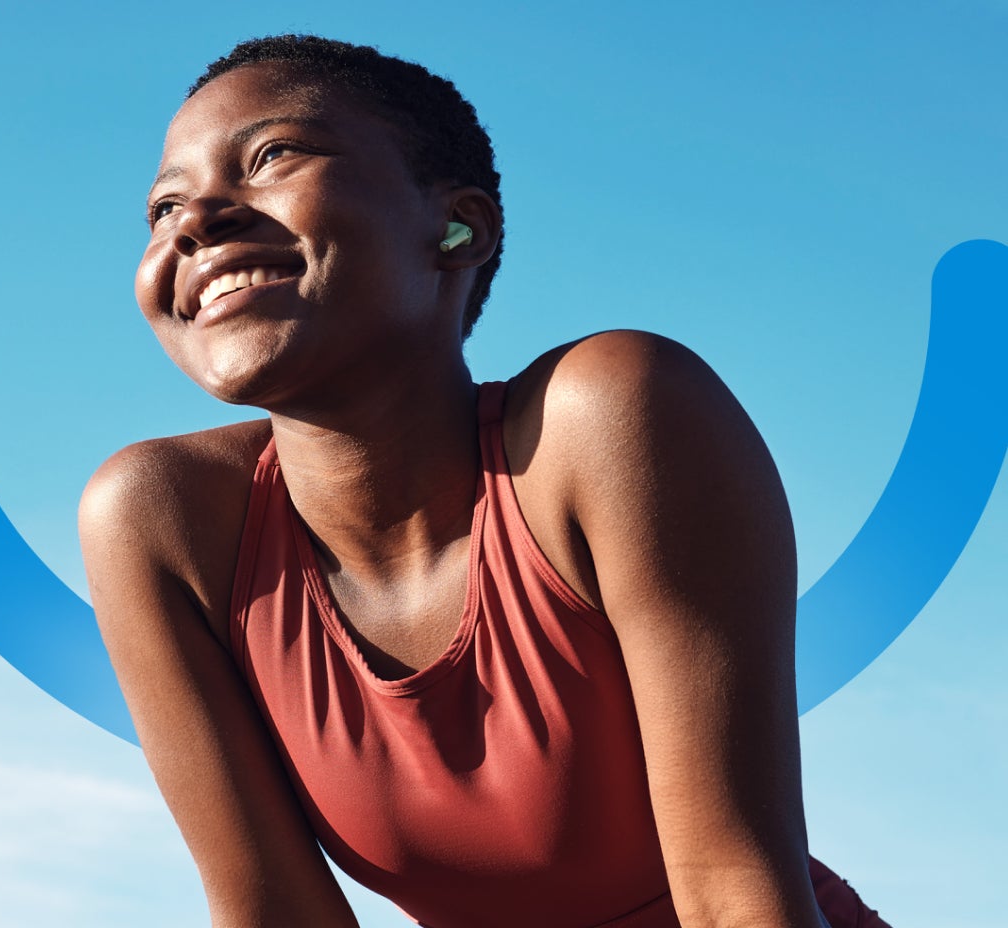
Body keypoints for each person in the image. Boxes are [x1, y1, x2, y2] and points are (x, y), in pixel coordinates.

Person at [79, 35, 891, 928]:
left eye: (271, 155)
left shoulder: (609, 418)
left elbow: (739, 900)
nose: (194, 222)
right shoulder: (160, 522)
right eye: (163, 209)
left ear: (460, 227)